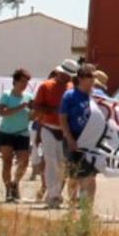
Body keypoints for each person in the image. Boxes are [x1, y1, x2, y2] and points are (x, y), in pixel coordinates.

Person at [33, 60, 77, 209]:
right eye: (65, 74)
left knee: (61, 164)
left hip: (65, 130)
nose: (67, 77)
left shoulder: (72, 89)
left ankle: (55, 192)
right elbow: (37, 105)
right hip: (48, 127)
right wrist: (53, 111)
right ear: (59, 72)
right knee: (51, 162)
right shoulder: (46, 86)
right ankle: (54, 195)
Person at [58, 66, 102, 207]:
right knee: (75, 175)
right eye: (89, 78)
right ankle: (72, 202)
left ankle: (86, 207)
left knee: (89, 175)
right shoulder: (70, 96)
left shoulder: (98, 96)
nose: (92, 81)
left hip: (92, 139)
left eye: (93, 78)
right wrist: (70, 138)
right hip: (75, 137)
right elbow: (63, 119)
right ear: (81, 79)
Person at [0, 69, 34, 204]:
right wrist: (21, 107)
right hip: (6, 132)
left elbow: (31, 116)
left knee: (24, 161)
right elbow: (2, 112)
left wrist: (36, 112)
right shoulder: (7, 95)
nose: (24, 84)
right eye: (22, 81)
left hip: (22, 132)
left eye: (26, 82)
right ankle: (8, 190)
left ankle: (15, 182)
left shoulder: (29, 96)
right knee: (7, 162)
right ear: (15, 81)